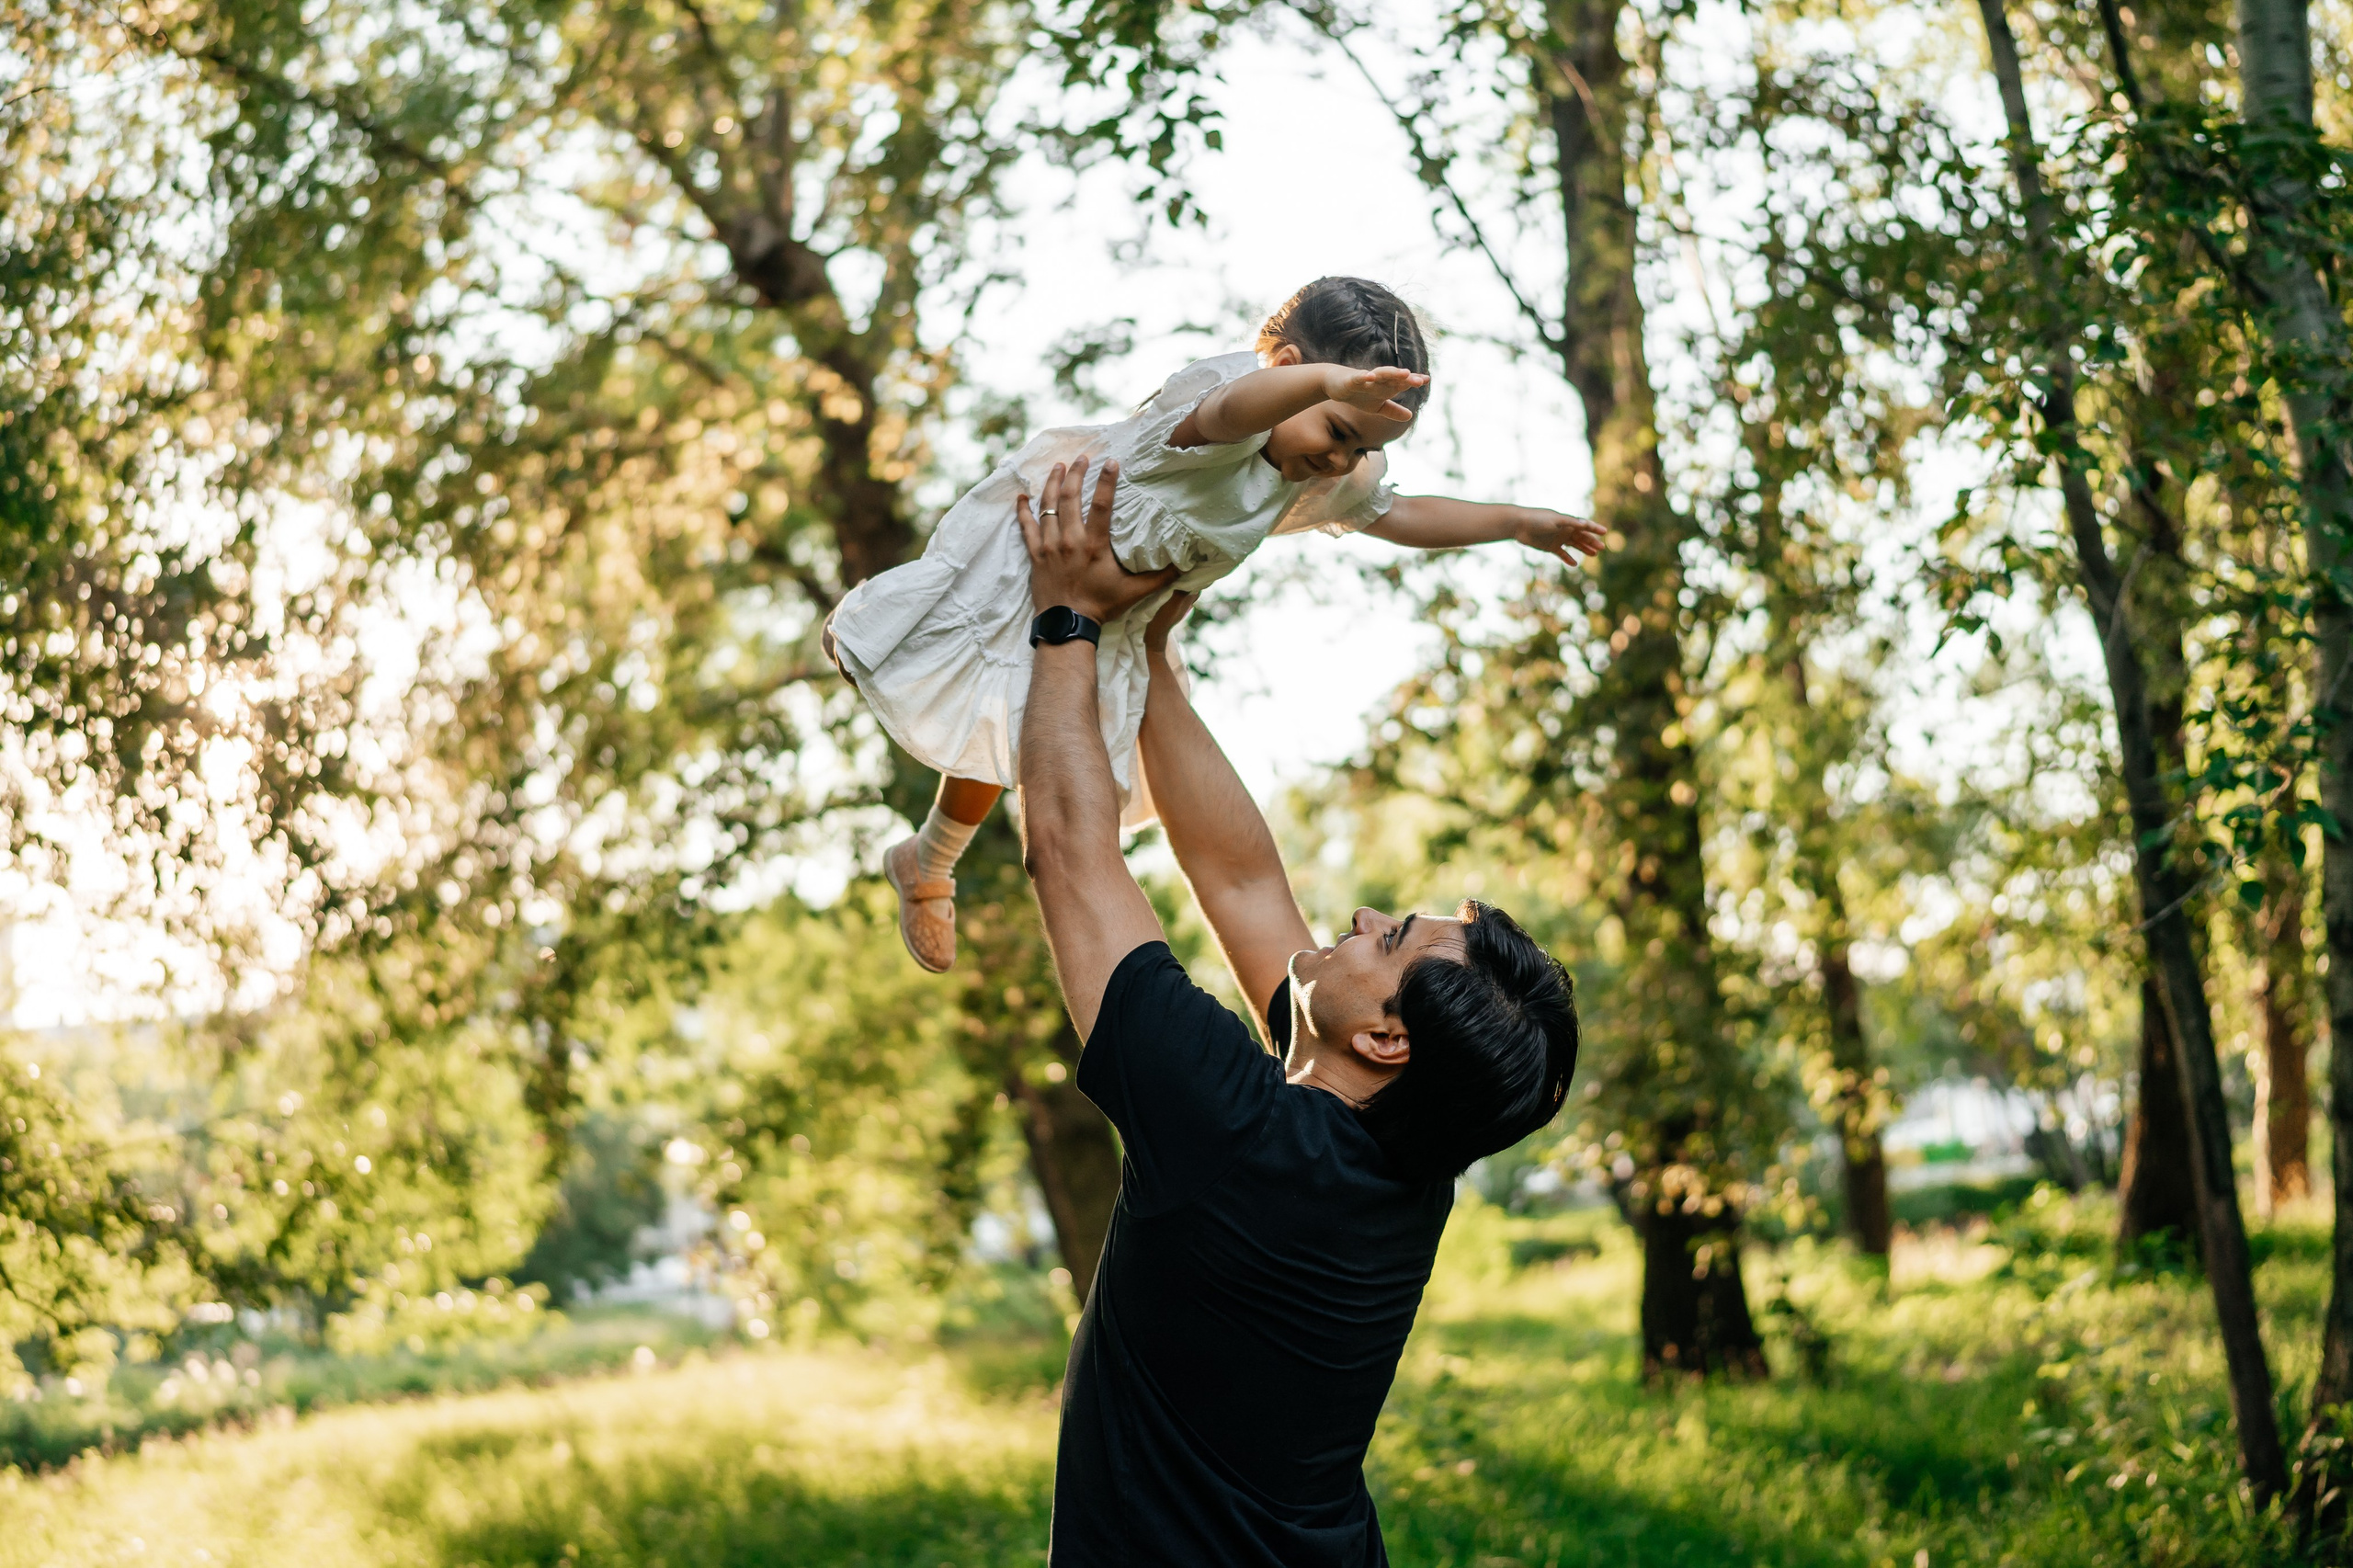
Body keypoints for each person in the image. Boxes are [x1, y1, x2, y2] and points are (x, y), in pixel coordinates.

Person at [1013, 456, 1581, 1566]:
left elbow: (1071, 858)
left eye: (1391, 936)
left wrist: (1069, 622)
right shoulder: (1395, 1149)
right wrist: (1154, 659)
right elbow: (1240, 884)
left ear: (1386, 1037)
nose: (1361, 913)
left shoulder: (1236, 1134)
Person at [823, 276, 1606, 971]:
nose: (1341, 463)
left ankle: (930, 859)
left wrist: (1514, 521)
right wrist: (1323, 383)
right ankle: (887, 663)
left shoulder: (1319, 463)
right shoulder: (1223, 416)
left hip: (1120, 624)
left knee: (1029, 756)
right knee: (977, 701)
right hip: (1039, 561)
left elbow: (1398, 514)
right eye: (1338, 432)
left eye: (1362, 447)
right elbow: (1233, 409)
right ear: (1289, 371)